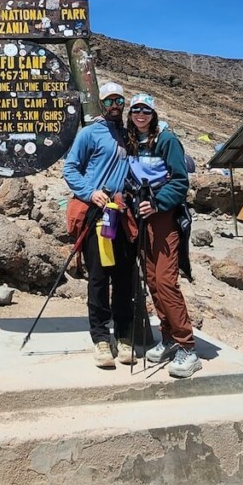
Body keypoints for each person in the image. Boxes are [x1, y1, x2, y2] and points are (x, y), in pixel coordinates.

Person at [124, 93, 201, 378]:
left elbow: (180, 180)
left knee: (166, 280)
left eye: (145, 110)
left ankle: (187, 346)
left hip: (165, 216)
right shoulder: (131, 139)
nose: (140, 114)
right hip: (141, 215)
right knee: (152, 279)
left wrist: (158, 201)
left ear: (153, 114)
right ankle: (167, 336)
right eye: (135, 110)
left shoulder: (166, 140)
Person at [63, 82, 136, 369]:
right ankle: (101, 339)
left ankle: (126, 335)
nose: (115, 105)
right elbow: (70, 168)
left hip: (125, 214)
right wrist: (89, 192)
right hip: (99, 214)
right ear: (101, 104)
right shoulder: (90, 132)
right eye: (109, 101)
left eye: (119, 100)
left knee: (124, 277)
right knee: (99, 276)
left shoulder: (130, 134)